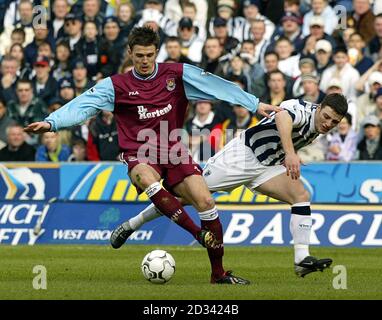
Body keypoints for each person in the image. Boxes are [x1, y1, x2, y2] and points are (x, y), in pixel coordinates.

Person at [24, 27, 279, 285]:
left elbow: (216, 86)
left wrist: (255, 104)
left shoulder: (177, 74)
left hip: (174, 150)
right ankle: (196, 233)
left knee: (206, 202)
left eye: (149, 55)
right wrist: (51, 122)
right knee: (147, 179)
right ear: (130, 54)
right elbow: (83, 105)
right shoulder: (116, 85)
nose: (144, 61)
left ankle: (218, 274)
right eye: (139, 56)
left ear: (156, 52)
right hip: (139, 152)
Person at [113, 93, 348, 279]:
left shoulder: (319, 124)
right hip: (241, 157)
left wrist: (286, 154)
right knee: (186, 198)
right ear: (318, 107)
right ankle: (132, 224)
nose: (328, 123)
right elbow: (283, 117)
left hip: (267, 166)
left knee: (301, 195)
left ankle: (301, 260)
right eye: (326, 116)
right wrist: (290, 154)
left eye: (334, 122)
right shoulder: (303, 110)